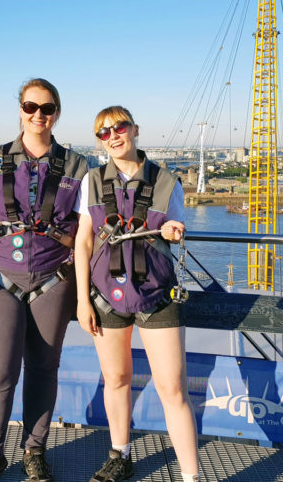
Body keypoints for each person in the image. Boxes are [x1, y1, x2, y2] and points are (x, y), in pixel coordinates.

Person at [0, 78, 88, 482]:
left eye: (46, 108)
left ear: (57, 113)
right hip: (0, 276)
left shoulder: (77, 167)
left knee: (43, 369)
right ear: (20, 109)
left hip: (55, 278)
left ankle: (34, 450)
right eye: (31, 107)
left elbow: (88, 230)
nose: (38, 115)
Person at [74, 106, 201, 482]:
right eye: (103, 132)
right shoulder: (93, 181)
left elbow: (176, 226)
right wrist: (82, 300)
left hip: (156, 294)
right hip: (106, 296)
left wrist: (174, 230)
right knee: (115, 378)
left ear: (135, 130)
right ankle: (120, 455)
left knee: (172, 387)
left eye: (119, 128)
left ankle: (191, 476)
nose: (113, 136)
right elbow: (83, 241)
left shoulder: (166, 182)